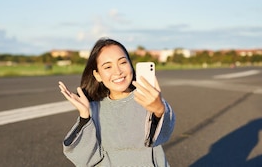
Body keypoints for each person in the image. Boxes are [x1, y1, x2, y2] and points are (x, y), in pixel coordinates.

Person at [58, 38, 175, 166]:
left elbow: (163, 134)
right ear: (98, 75)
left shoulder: (148, 99)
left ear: (131, 65)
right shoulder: (94, 109)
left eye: (123, 62)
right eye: (108, 66)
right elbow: (86, 159)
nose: (118, 71)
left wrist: (159, 109)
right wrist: (84, 117)